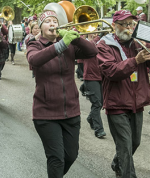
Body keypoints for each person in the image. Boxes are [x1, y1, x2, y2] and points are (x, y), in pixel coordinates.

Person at [26, 10, 97, 178]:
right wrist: (60, 45)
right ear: (41, 27)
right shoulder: (34, 45)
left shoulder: (69, 44)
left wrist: (76, 38)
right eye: (48, 21)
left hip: (71, 111)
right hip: (45, 114)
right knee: (56, 159)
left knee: (71, 156)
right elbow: (34, 60)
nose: (52, 24)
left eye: (55, 21)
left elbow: (92, 52)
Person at [97, 10, 150, 177]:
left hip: (137, 101)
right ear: (114, 26)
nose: (129, 28)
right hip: (116, 102)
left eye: (131, 24)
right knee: (125, 147)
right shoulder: (103, 45)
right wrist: (135, 61)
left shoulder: (138, 43)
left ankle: (117, 163)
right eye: (125, 24)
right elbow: (112, 71)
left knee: (134, 143)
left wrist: (149, 46)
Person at [81, 32, 106, 138]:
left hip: (101, 77)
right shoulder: (88, 44)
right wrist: (94, 37)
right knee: (97, 104)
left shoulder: (104, 42)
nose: (95, 34)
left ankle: (90, 118)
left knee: (101, 102)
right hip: (91, 78)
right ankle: (98, 129)